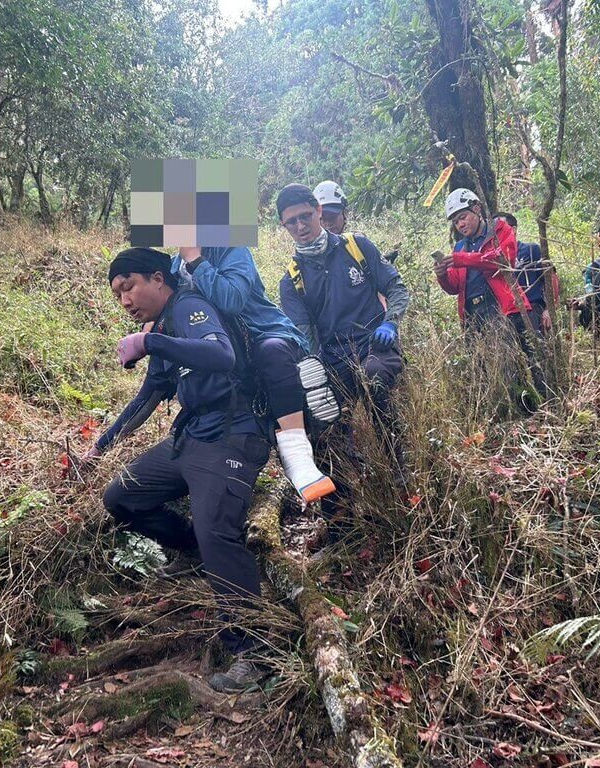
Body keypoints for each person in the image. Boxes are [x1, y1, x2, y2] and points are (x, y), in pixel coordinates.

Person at [92, 247, 272, 693]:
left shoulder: (190, 306)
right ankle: (192, 550)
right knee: (121, 497)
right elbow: (148, 397)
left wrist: (149, 342)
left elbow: (222, 355)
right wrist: (99, 448)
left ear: (158, 278)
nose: (125, 301)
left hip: (231, 435)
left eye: (129, 287)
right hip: (188, 439)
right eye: (117, 295)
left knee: (218, 533)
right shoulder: (164, 326)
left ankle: (254, 653)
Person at [172, 245, 336, 503]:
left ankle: (297, 453)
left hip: (266, 335)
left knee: (272, 354)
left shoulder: (233, 250)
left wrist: (195, 260)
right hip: (228, 351)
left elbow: (231, 300)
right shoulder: (172, 266)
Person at [276, 183, 409, 473]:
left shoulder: (356, 247)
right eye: (291, 221)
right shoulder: (291, 281)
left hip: (376, 344)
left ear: (318, 211)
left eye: (305, 216)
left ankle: (400, 468)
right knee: (322, 423)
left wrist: (391, 322)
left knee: (374, 380)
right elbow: (306, 336)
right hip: (334, 360)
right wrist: (313, 373)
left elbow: (396, 288)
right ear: (284, 226)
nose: (300, 226)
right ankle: (348, 486)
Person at [432, 188, 546, 400]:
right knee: (492, 370)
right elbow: (454, 287)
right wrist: (442, 275)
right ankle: (512, 409)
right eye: (456, 222)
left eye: (463, 217)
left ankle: (546, 405)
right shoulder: (460, 246)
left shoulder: (499, 229)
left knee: (528, 361)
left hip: (504, 308)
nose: (460, 224)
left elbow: (503, 260)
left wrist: (461, 259)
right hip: (474, 315)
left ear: (477, 209)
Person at [494, 212, 559, 334]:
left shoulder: (531, 250)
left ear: (513, 229)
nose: (497, 234)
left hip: (533, 309)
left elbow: (551, 278)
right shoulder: (492, 258)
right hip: (506, 314)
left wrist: (549, 309)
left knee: (536, 344)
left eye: (501, 229)